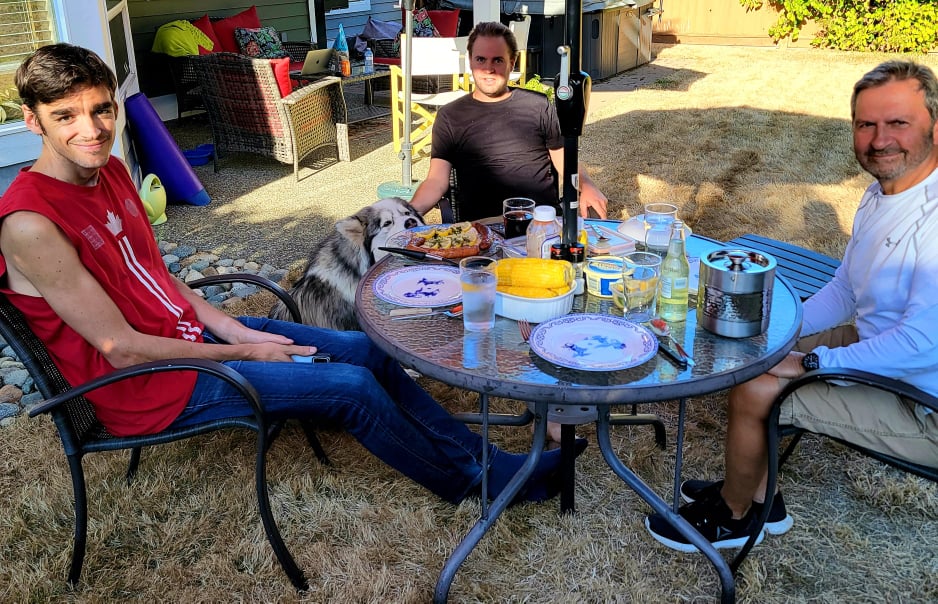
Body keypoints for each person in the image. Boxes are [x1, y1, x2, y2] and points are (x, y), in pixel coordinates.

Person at [0, 43, 586, 507]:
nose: (92, 129)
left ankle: (486, 460)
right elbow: (121, 349)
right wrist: (246, 352)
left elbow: (155, 276)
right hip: (150, 386)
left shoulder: (108, 171)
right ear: (32, 121)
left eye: (102, 109)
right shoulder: (31, 223)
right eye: (65, 116)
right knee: (353, 389)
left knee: (372, 352)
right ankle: (477, 484)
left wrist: (234, 329)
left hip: (191, 341)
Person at [645, 59, 938, 552]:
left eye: (898, 123)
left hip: (922, 404)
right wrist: (783, 332)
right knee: (751, 349)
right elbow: (845, 289)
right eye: (866, 124)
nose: (879, 139)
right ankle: (762, 499)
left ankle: (734, 517)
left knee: (757, 385)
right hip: (884, 348)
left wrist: (811, 362)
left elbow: (922, 343)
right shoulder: (880, 193)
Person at [408, 21, 609, 222]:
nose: (488, 69)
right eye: (481, 59)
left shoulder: (537, 105)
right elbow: (436, 181)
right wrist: (406, 215)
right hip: (482, 228)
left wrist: (587, 185)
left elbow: (565, 161)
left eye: (497, 60)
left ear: (512, 63)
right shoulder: (451, 116)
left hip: (541, 223)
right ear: (470, 62)